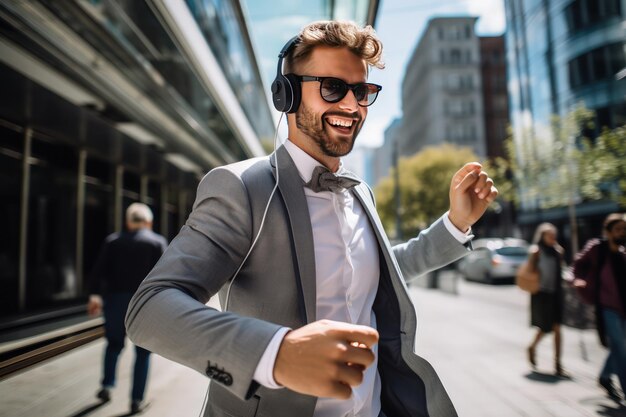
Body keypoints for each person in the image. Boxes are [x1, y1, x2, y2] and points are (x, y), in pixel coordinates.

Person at [125, 20, 497, 417]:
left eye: (363, 91)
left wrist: (456, 223)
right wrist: (277, 353)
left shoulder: (361, 192)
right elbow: (150, 308)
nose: (352, 106)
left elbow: (380, 273)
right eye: (333, 87)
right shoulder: (240, 187)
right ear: (286, 95)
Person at [88, 203, 167, 414]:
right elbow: (166, 275)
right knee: (143, 351)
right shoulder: (157, 242)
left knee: (113, 345)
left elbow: (98, 272)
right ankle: (136, 400)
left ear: (128, 221)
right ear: (148, 222)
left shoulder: (112, 242)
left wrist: (95, 296)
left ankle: (106, 386)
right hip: (145, 304)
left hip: (115, 302)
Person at [573, 213, 626, 402]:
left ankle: (605, 377)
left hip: (623, 307)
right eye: (618, 229)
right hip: (607, 306)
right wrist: (577, 280)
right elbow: (578, 265)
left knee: (620, 347)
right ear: (609, 231)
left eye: (624, 229)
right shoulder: (597, 248)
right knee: (620, 348)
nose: (622, 233)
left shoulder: (622, 253)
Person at [525, 223, 568, 377]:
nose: (552, 237)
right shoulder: (536, 251)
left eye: (554, 234)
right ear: (542, 236)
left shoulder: (558, 251)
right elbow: (529, 272)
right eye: (549, 235)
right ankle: (532, 347)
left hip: (556, 293)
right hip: (541, 294)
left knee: (557, 328)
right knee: (545, 328)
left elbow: (561, 271)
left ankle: (558, 364)